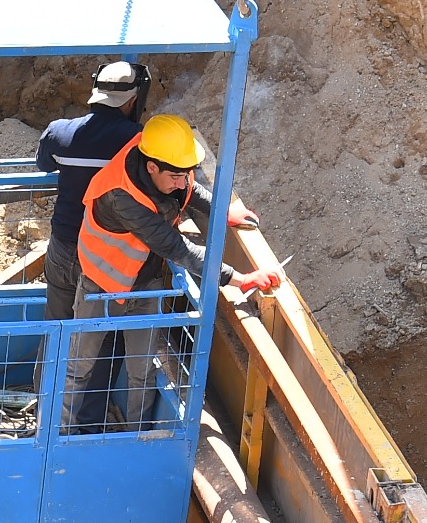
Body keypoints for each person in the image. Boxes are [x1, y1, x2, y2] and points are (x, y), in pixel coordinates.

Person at [66, 112, 280, 430]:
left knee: (142, 370)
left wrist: (223, 211)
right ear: (152, 167)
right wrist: (238, 278)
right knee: (79, 368)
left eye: (186, 173)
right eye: (175, 177)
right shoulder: (122, 196)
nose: (182, 182)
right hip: (101, 286)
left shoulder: (166, 160)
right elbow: (177, 248)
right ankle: (58, 437)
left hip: (146, 283)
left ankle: (135, 439)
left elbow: (188, 189)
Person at [34, 61, 150, 325]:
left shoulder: (58, 131)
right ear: (132, 101)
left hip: (63, 244)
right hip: (108, 256)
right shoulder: (140, 141)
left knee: (56, 329)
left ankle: (48, 367)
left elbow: (44, 164)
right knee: (96, 340)